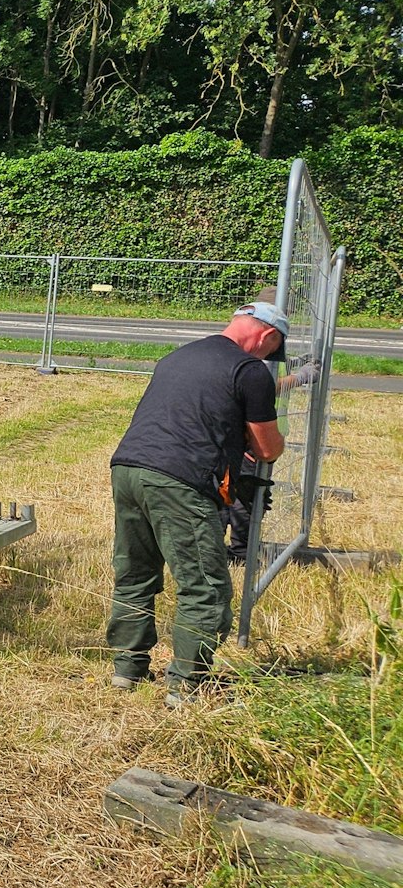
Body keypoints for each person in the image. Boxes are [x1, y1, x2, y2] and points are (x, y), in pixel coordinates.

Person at [107, 301, 293, 707]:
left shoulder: (179, 356)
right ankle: (186, 686)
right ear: (267, 336)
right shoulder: (250, 370)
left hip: (129, 468)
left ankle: (127, 668)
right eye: (271, 349)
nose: (268, 357)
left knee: (135, 572)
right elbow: (265, 447)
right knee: (205, 586)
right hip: (179, 480)